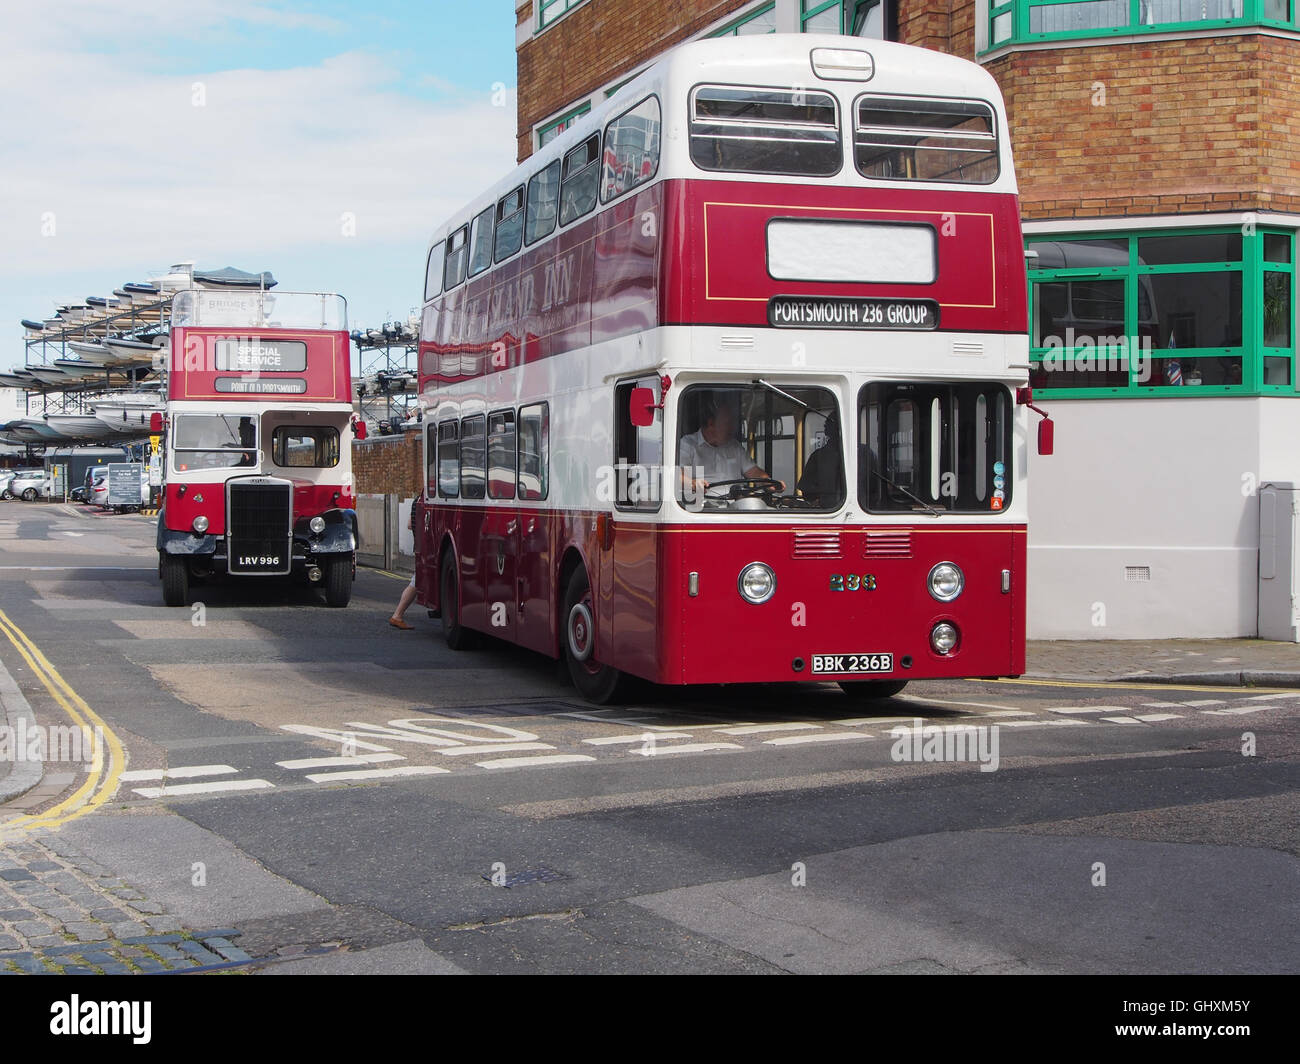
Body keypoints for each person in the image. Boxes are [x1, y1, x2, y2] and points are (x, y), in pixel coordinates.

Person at [679, 393, 782, 500]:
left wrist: (769, 483)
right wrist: (692, 483)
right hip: (701, 510)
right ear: (711, 424)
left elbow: (753, 472)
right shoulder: (687, 445)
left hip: (736, 509)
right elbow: (676, 476)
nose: (733, 428)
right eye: (728, 424)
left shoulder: (734, 446)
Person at [796, 412, 845, 507]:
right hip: (827, 511)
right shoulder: (817, 456)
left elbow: (807, 491)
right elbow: (806, 490)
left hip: (826, 510)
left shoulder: (818, 456)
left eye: (827, 425)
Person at [389, 501, 418, 630]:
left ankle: (397, 616)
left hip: (417, 546)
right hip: (424, 548)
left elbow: (409, 525)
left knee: (416, 581)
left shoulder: (416, 502)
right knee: (416, 582)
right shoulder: (421, 501)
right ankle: (397, 616)